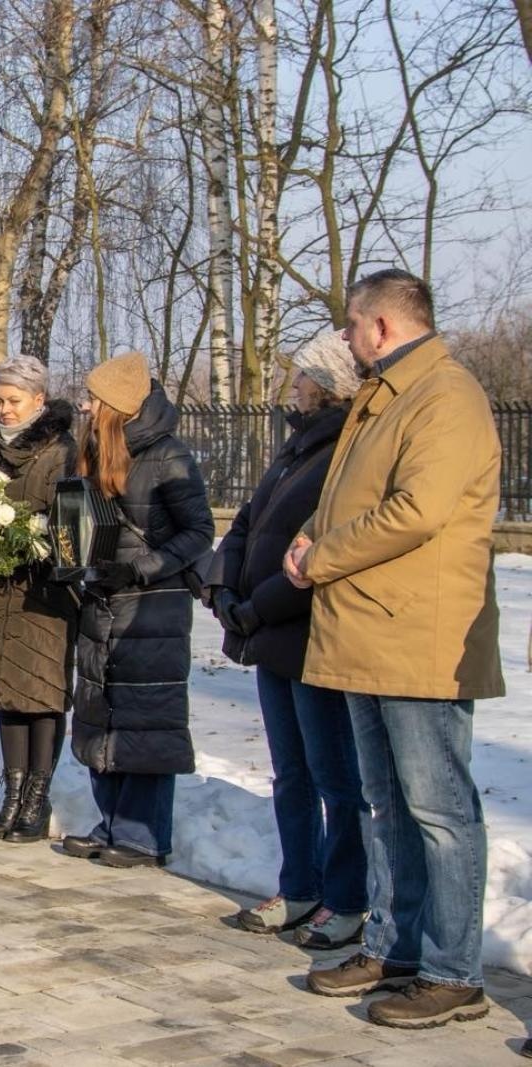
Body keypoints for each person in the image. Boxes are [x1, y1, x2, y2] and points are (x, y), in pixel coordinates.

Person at [286, 270, 503, 1028]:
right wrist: (309, 534)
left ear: (380, 325)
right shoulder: (382, 396)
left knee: (439, 810)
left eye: (350, 324)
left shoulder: (444, 394)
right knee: (389, 805)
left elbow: (418, 510)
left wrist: (322, 554)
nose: (345, 338)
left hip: (419, 633)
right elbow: (348, 494)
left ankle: (453, 972)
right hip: (369, 629)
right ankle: (395, 947)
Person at [210, 332, 369, 948]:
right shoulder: (294, 448)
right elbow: (247, 523)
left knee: (335, 776)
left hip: (309, 634)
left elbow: (320, 549)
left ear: (327, 386)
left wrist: (257, 607)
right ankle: (299, 886)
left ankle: (347, 899)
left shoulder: (345, 452)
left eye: (303, 375)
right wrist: (224, 587)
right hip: (268, 634)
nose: (293, 384)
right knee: (291, 773)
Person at [64, 351, 212, 869]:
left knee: (145, 717)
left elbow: (199, 532)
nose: (85, 406)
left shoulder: (168, 455)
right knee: (100, 706)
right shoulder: (92, 452)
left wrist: (140, 569)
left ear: (118, 406)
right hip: (101, 597)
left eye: (94, 399)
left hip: (151, 608)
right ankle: (111, 822)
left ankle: (143, 836)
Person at [0, 356, 78, 843]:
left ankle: (37, 798)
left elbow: (70, 518)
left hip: (44, 591)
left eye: (14, 400)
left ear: (39, 400)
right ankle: (12, 796)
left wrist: (35, 536)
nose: (4, 409)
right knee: (7, 691)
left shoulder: (62, 450)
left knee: (42, 692)